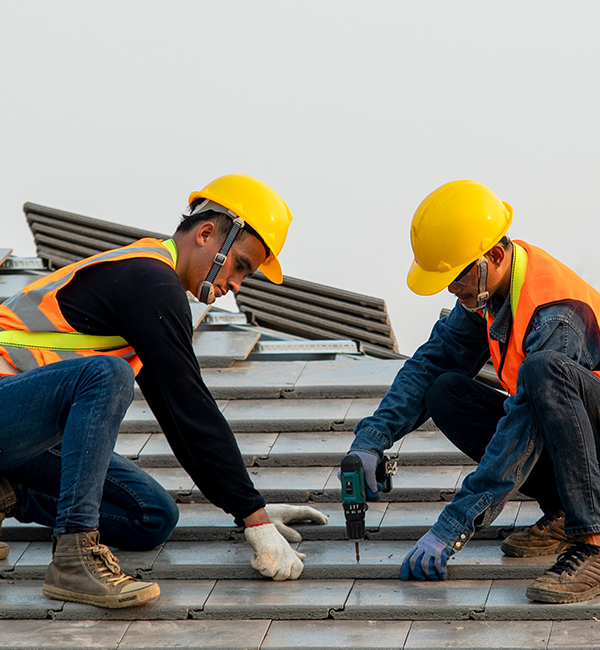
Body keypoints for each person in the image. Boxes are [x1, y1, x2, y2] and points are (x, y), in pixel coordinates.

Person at [0, 174, 327, 609]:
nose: (235, 286)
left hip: (20, 432)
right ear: (207, 234)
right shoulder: (149, 280)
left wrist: (249, 509)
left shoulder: (148, 286)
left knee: (152, 515)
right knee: (108, 375)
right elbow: (192, 407)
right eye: (241, 266)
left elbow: (179, 416)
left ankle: (7, 493)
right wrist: (255, 518)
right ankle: (74, 558)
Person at [344, 179, 600, 604]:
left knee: (542, 372)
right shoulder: (491, 293)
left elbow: (523, 426)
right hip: (583, 451)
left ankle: (592, 540)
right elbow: (431, 364)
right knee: (446, 391)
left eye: (455, 275)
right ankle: (564, 511)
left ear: (493, 256)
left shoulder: (557, 315)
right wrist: (372, 438)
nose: (450, 288)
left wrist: (454, 525)